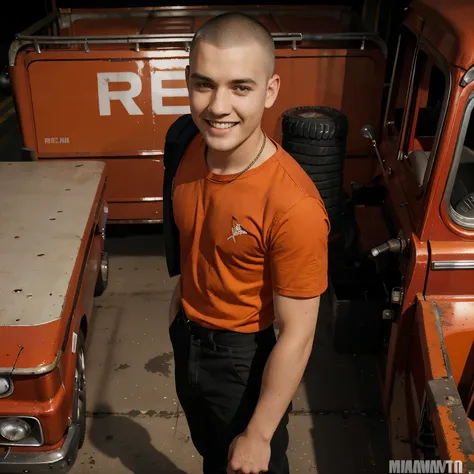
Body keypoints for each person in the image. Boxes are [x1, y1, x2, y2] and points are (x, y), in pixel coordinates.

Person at [167, 11, 330, 474]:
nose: (218, 107)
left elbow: (298, 333)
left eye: (241, 87)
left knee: (248, 461)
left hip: (241, 361)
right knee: (212, 455)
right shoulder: (185, 142)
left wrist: (259, 434)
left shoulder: (293, 206)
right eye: (204, 84)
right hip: (188, 338)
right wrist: (181, 299)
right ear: (188, 81)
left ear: (271, 90)